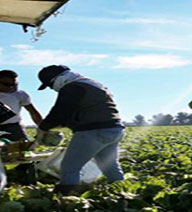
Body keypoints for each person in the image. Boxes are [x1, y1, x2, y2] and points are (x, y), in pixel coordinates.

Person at [35, 65, 125, 194]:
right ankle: (121, 192)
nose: (52, 88)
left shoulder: (72, 87)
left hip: (93, 131)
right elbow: (79, 111)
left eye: (50, 85)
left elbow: (59, 113)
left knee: (69, 167)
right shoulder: (92, 84)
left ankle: (67, 198)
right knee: (110, 166)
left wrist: (42, 129)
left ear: (57, 79)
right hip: (115, 129)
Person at [0, 70, 43, 141]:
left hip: (13, 128)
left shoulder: (20, 95)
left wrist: (43, 128)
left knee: (23, 149)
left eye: (14, 85)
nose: (10, 87)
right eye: (6, 84)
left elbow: (32, 112)